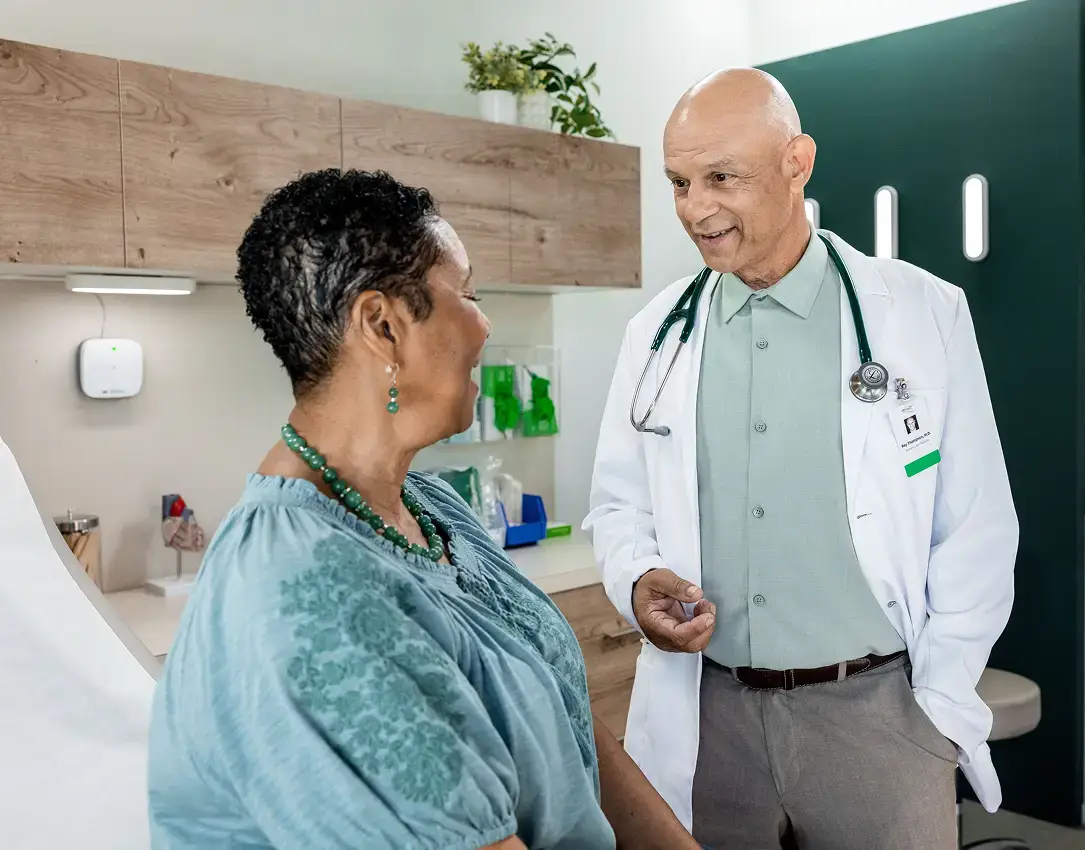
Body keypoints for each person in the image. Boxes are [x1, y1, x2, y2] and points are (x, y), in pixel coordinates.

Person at [147, 168, 700, 850]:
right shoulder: (303, 594)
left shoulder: (433, 506)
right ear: (382, 325)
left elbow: (569, 727)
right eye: (466, 293)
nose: (485, 321)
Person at [585, 68, 1019, 848]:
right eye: (680, 182)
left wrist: (938, 711)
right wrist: (636, 578)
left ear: (797, 162)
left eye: (722, 178)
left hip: (879, 719)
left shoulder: (921, 312)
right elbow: (619, 505)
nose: (696, 208)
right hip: (706, 715)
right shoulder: (656, 334)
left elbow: (979, 527)